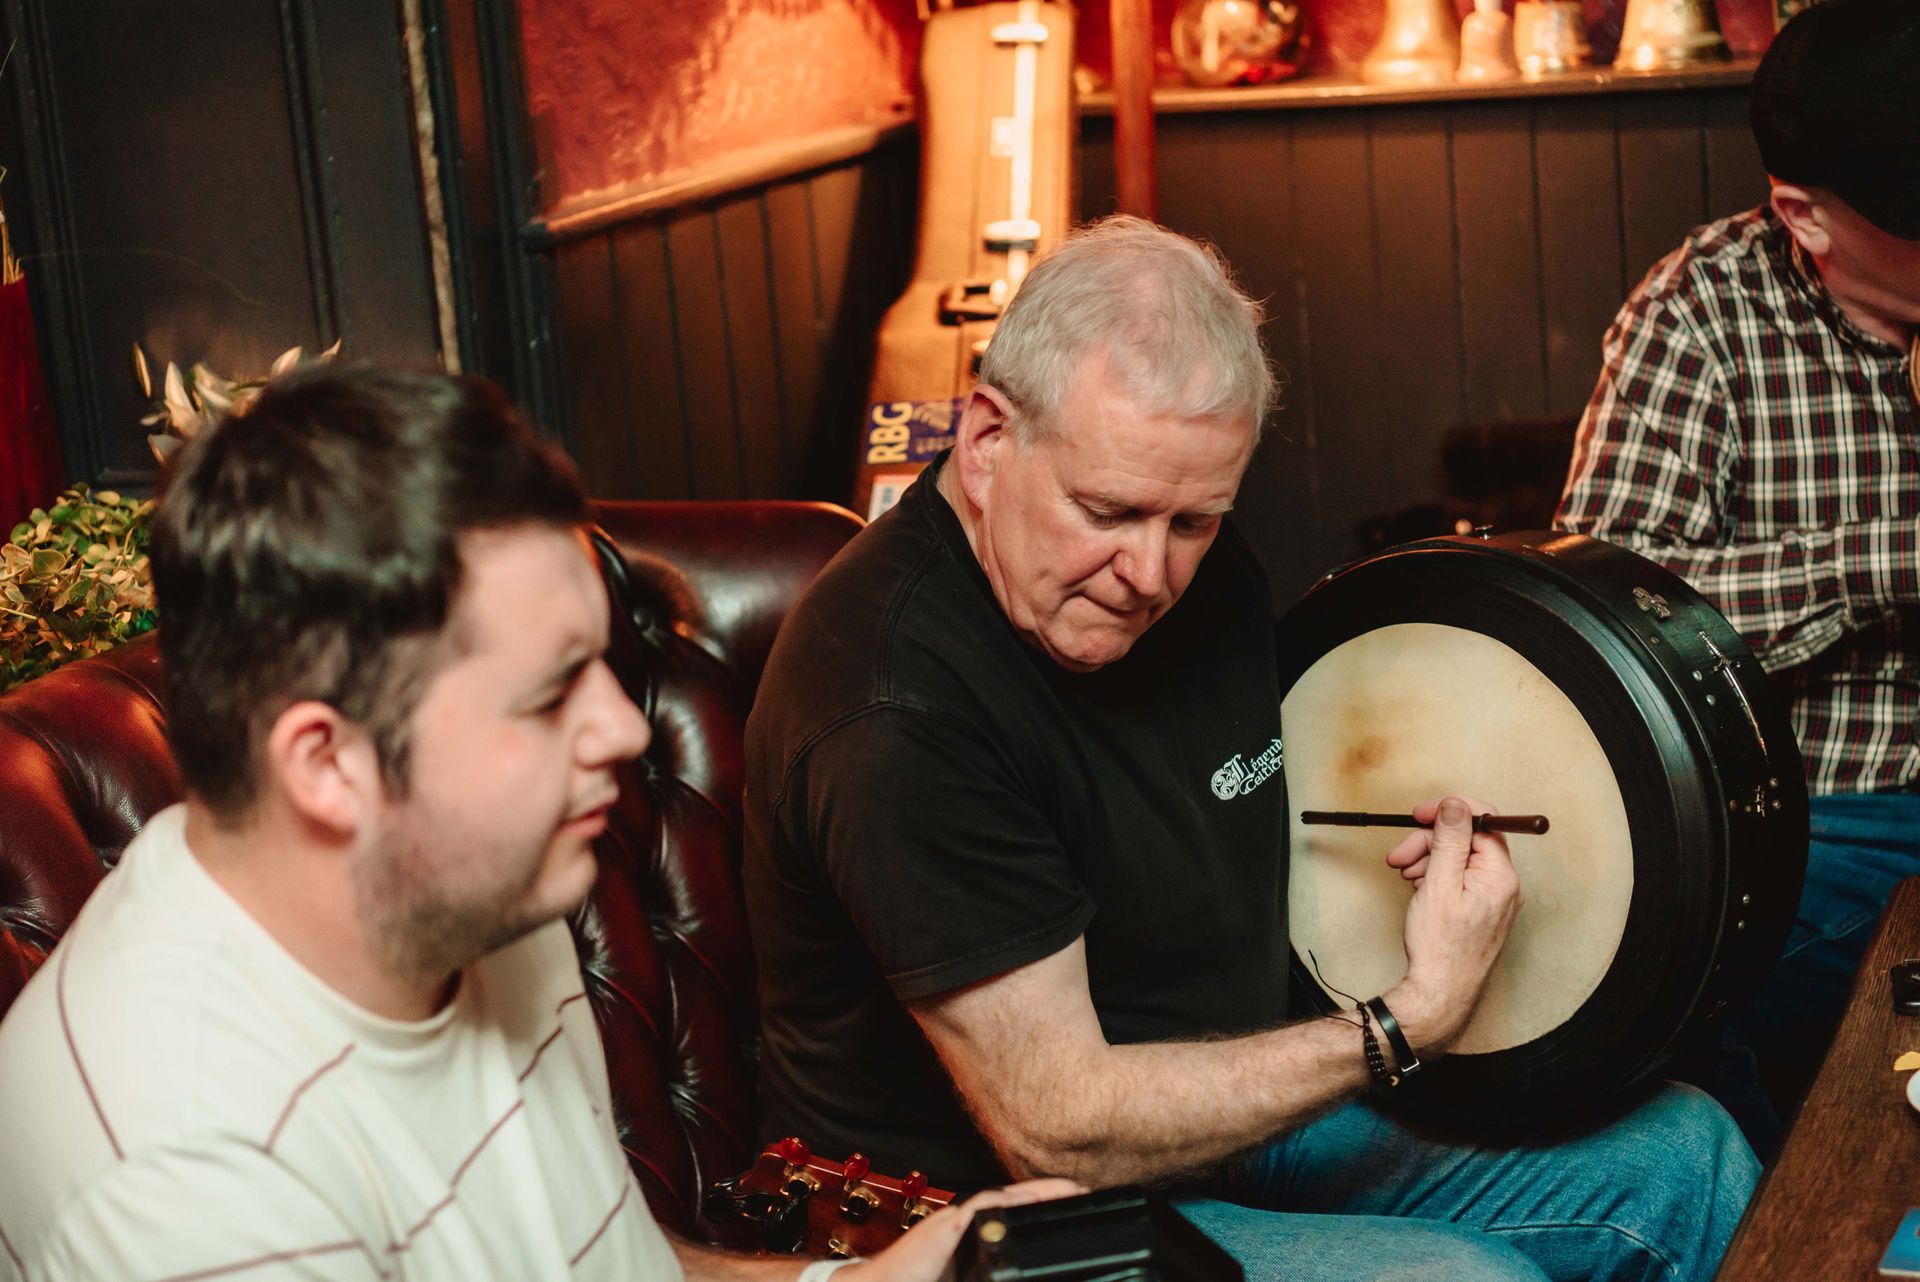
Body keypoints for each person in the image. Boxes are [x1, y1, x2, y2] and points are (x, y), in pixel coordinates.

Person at [745, 216, 1758, 1282]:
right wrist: (1404, 1020)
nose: (1149, 572)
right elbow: (1060, 1125)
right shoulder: (895, 696)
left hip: (1227, 1113)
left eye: (1193, 520)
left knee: (1686, 1156)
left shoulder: (1201, 572)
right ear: (989, 440)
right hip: (997, 1211)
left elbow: (1229, 817)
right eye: (1110, 510)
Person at [0, 366, 1070, 1281]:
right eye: (551, 694)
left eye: (603, 666)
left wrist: (879, 1277)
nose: (617, 726)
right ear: (327, 763)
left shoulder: (473, 886)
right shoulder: (183, 1175)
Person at [1556, 0, 1920, 1150]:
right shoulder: (1706, 310)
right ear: (1804, 214)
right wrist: (1884, 559)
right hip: (1828, 817)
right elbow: (1610, 625)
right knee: (1665, 962)